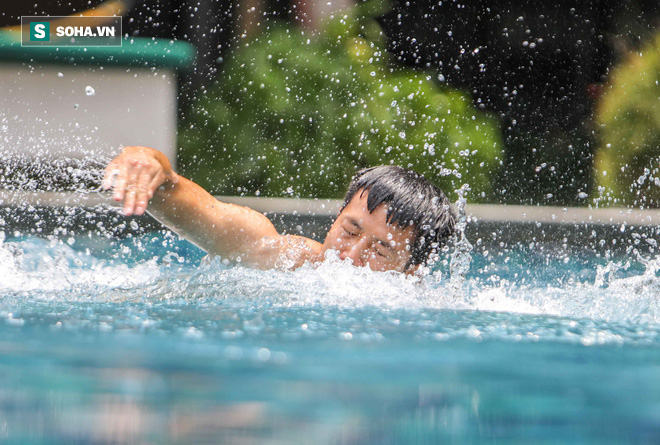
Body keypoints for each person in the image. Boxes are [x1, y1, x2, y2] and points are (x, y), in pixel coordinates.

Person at [102, 146, 456, 273]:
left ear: (412, 272)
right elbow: (202, 209)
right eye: (349, 231)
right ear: (336, 218)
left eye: (380, 250)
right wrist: (152, 166)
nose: (350, 256)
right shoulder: (286, 259)